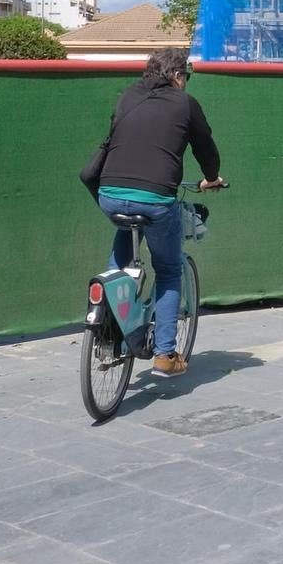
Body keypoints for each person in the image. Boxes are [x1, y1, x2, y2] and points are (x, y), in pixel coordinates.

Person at [94, 47, 223, 377]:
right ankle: (165, 354)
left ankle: (108, 331)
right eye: (187, 78)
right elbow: (205, 145)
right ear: (178, 76)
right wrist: (211, 178)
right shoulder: (184, 103)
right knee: (167, 269)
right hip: (154, 198)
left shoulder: (127, 97)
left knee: (120, 260)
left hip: (109, 193)